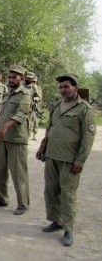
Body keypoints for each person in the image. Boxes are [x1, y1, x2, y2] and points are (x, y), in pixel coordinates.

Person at [36, 73, 96, 247]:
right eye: (61, 87)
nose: (63, 90)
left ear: (75, 88)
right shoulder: (56, 106)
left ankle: (69, 229)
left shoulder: (84, 109)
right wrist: (42, 148)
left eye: (66, 86)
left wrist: (80, 161)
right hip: (52, 157)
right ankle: (57, 221)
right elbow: (49, 130)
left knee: (68, 195)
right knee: (51, 191)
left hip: (69, 160)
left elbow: (88, 138)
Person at [0, 65, 31, 215]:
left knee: (18, 173)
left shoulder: (25, 94)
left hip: (17, 140)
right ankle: (1, 198)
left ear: (22, 78)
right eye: (10, 77)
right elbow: (2, 119)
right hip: (2, 139)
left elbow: (21, 115)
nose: (12, 79)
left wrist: (6, 126)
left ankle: (23, 204)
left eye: (15, 77)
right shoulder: (7, 95)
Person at [25, 72, 43, 141]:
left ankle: (31, 135)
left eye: (31, 78)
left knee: (33, 122)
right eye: (28, 77)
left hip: (32, 108)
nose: (29, 79)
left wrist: (36, 99)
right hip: (22, 107)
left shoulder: (35, 88)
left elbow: (39, 97)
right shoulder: (22, 85)